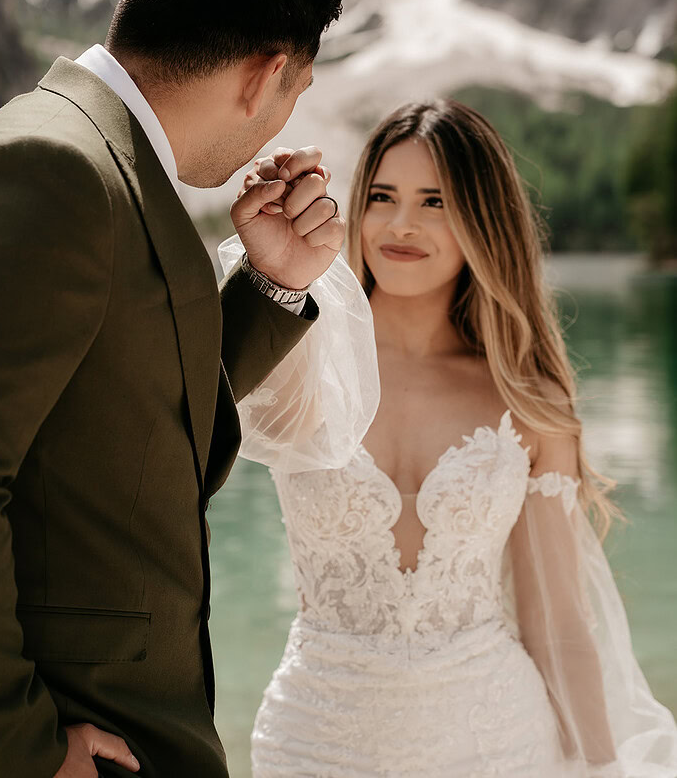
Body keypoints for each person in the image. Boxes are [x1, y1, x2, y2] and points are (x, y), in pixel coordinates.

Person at [0, 0, 349, 778]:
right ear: (267, 75)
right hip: (77, 735)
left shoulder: (110, 164)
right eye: (296, 94)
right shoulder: (58, 166)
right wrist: (23, 746)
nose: (279, 122)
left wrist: (270, 283)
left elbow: (138, 434)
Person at [223, 100, 677, 777]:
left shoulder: (528, 402)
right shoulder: (300, 362)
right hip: (315, 743)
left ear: (482, 221)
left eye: (434, 201)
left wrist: (601, 765)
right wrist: (272, 273)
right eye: (383, 197)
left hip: (497, 745)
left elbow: (558, 621)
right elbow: (200, 413)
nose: (401, 224)